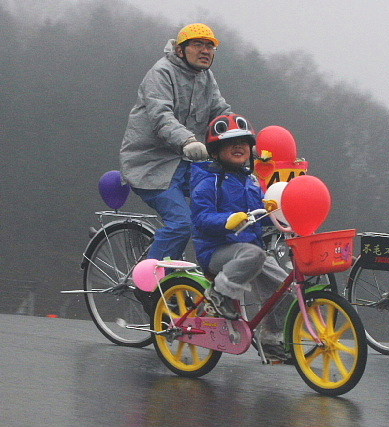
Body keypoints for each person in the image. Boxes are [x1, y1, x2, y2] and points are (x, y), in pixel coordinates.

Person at [120, 23, 231, 263]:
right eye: (198, 44)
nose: (205, 50)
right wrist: (188, 140)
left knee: (228, 201)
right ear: (180, 50)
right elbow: (161, 116)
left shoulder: (206, 77)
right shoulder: (161, 73)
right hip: (151, 166)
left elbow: (221, 114)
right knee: (182, 223)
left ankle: (214, 273)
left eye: (210, 46)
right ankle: (150, 285)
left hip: (187, 162)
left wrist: (244, 141)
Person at [190, 114, 291, 361]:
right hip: (216, 251)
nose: (239, 147)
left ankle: (269, 338)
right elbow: (201, 218)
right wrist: (227, 220)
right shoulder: (207, 180)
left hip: (249, 251)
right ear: (216, 151)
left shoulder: (252, 182)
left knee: (286, 288)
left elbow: (262, 216)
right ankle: (219, 295)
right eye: (230, 143)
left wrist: (282, 216)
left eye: (244, 143)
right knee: (254, 253)